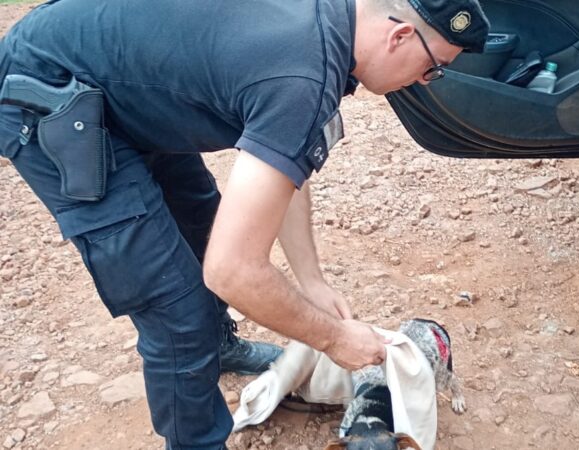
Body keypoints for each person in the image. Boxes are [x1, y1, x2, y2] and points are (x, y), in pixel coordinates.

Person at [0, 0, 489, 448]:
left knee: (202, 222)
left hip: (122, 86)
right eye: (434, 67)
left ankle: (219, 347)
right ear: (399, 36)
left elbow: (284, 156)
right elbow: (231, 271)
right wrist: (334, 339)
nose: (428, 80)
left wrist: (312, 280)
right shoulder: (304, 72)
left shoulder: (329, 27)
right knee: (177, 313)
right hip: (56, 92)